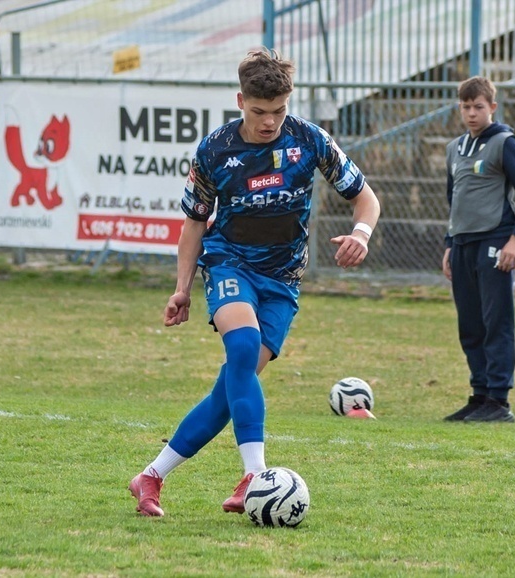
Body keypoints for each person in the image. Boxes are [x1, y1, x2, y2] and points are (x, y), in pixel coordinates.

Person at [128, 48, 381, 517]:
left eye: (279, 110)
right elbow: (193, 223)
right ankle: (253, 476)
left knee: (231, 387)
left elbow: (365, 198)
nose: (270, 122)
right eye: (260, 112)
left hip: (282, 280)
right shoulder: (215, 150)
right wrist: (183, 287)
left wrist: (361, 234)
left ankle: (151, 476)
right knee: (242, 350)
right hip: (229, 264)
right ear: (240, 100)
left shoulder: (310, 140)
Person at [441, 76, 515, 423]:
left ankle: (499, 400)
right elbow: (454, 199)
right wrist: (450, 243)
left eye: (478, 107)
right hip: (463, 244)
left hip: (495, 241)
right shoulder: (454, 148)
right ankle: (479, 393)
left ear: (492, 108)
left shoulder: (504, 142)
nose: (471, 113)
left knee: (495, 320)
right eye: (466, 107)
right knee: (470, 323)